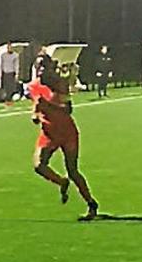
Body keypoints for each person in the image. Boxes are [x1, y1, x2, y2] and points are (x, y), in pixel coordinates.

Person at [28, 55, 99, 221]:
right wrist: (35, 114)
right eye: (38, 67)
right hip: (49, 132)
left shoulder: (60, 83)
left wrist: (48, 104)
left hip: (66, 132)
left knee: (73, 170)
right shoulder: (33, 86)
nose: (41, 70)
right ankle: (61, 182)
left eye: (44, 66)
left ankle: (91, 203)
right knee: (39, 165)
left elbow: (68, 109)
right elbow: (36, 106)